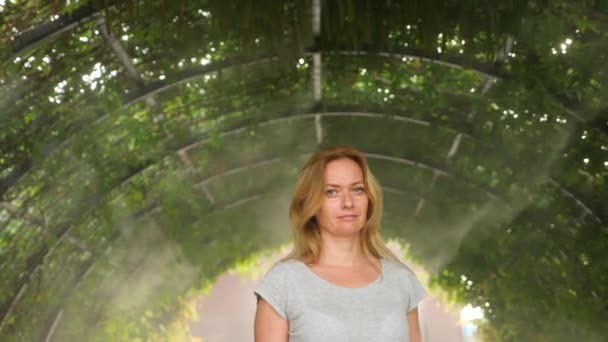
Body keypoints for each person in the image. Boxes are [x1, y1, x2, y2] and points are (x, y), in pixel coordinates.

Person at [253, 145, 427, 342]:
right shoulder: (283, 283)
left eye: (358, 189)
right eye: (332, 192)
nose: (348, 203)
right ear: (310, 203)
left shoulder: (401, 280)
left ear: (369, 199)